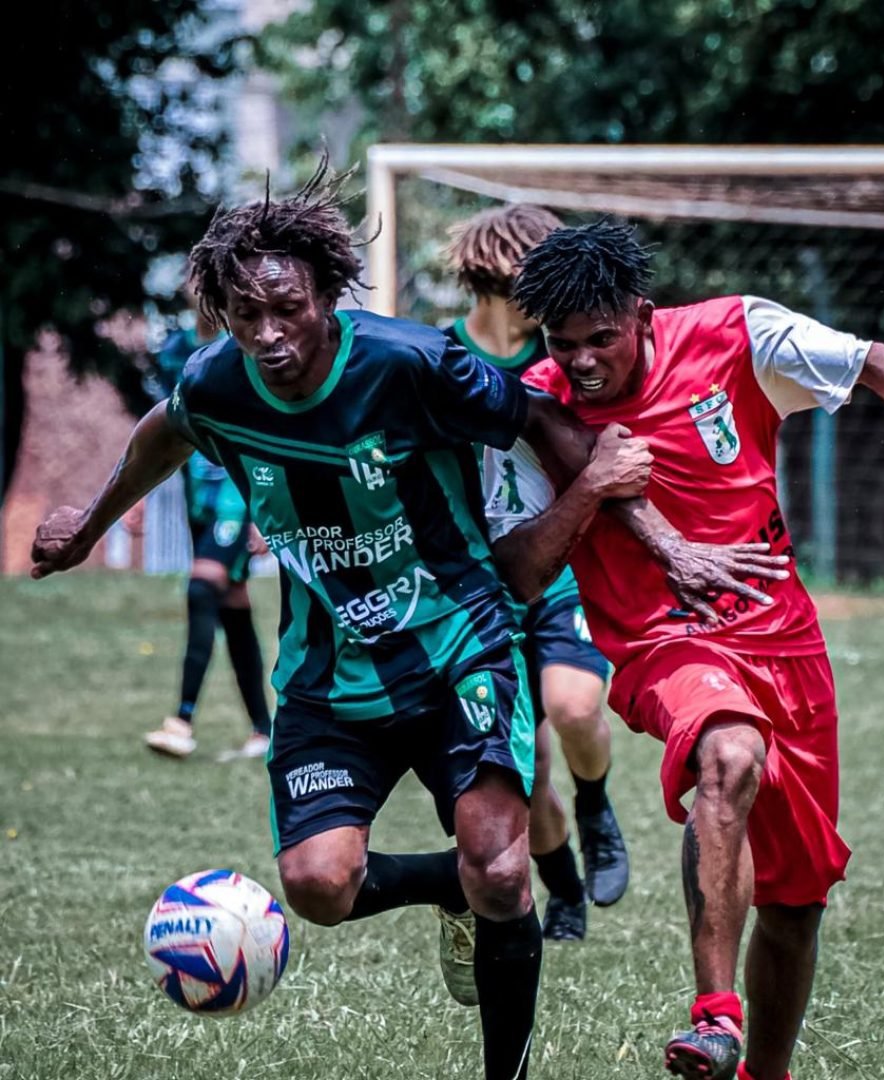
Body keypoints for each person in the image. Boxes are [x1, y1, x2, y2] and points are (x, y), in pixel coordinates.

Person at [29, 166, 776, 1079]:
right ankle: (449, 890)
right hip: (327, 673)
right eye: (245, 314)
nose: (267, 335)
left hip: (459, 645)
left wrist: (660, 540)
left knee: (503, 871)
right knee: (316, 887)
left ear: (327, 296)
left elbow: (541, 414)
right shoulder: (217, 382)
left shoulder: (411, 361)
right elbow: (164, 431)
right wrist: (88, 526)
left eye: (287, 309)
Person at [481, 220, 884, 1080]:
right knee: (728, 754)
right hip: (659, 643)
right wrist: (592, 485)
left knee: (796, 902)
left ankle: (762, 1072)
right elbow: (519, 572)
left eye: (602, 340)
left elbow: (872, 363)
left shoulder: (735, 333)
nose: (585, 363)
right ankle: (715, 1015)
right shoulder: (535, 406)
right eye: (566, 347)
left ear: (642, 315)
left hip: (785, 642)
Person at [445, 203, 628, 941]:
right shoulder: (441, 359)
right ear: (498, 280)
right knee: (529, 769)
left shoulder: (564, 362)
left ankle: (600, 808)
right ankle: (564, 891)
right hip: (482, 586)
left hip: (560, 572)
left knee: (577, 706)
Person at [136, 290, 274, 761]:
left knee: (202, 587)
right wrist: (130, 497)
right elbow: (159, 426)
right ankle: (264, 729)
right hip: (198, 495)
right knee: (232, 605)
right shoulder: (176, 350)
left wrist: (266, 509)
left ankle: (182, 720)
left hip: (238, 496)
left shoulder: (252, 350)